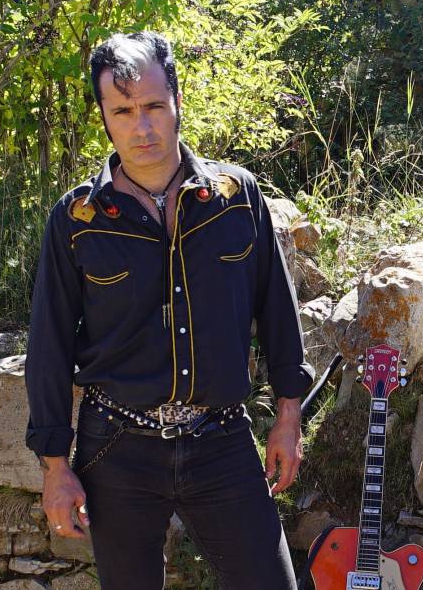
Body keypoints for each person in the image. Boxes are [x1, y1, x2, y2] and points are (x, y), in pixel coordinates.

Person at [24, 31, 313, 590]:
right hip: (117, 446)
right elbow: (49, 348)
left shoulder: (236, 197)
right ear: (105, 118)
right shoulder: (78, 219)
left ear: (178, 101)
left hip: (221, 438)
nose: (143, 127)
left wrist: (288, 415)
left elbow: (277, 309)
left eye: (154, 106)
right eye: (123, 111)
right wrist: (55, 467)